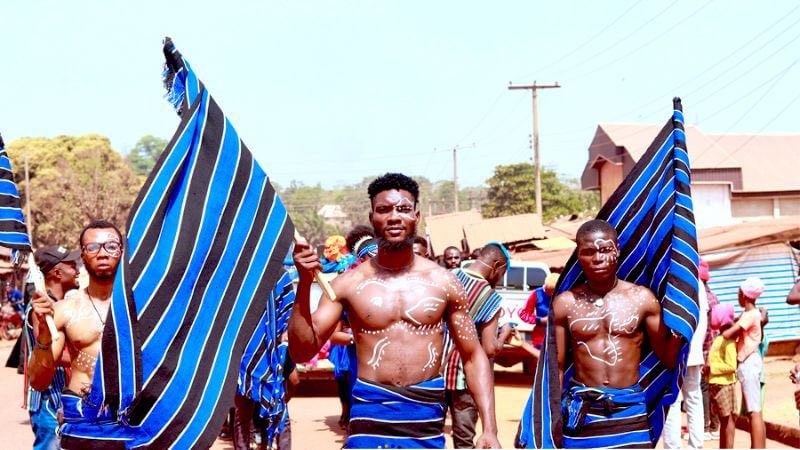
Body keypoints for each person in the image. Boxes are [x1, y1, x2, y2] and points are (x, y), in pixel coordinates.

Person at [289, 172, 500, 449]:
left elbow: (473, 356)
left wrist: (490, 429)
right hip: (370, 413)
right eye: (384, 209)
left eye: (403, 209)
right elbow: (302, 350)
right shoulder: (349, 284)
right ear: (372, 218)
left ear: (416, 215)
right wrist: (304, 285)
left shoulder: (444, 283)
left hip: (425, 419)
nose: (394, 216)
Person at [550, 219, 683, 448]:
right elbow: (557, 368)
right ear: (578, 256)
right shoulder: (565, 304)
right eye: (589, 252)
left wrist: (681, 329)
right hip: (582, 412)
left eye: (605, 250)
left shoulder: (642, 299)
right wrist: (552, 414)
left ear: (617, 250)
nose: (598, 258)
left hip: (629, 410)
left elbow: (669, 359)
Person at [28, 220, 123, 422]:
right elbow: (38, 382)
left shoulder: (142, 307)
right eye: (93, 247)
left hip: (131, 419)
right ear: (83, 256)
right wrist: (44, 337)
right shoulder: (64, 311)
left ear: (122, 253)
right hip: (82, 418)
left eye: (111, 246)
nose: (103, 253)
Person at [442, 242, 507, 448]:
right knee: (464, 439)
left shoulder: (448, 279)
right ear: (496, 266)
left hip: (433, 372)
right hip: (465, 377)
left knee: (427, 433)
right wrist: (504, 335)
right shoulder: (491, 298)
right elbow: (489, 348)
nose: (500, 278)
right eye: (502, 273)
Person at [23, 245, 81, 450]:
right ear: (57, 273)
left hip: (60, 396)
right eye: (72, 265)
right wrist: (90, 358)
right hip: (48, 399)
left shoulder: (59, 304)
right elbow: (50, 355)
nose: (77, 270)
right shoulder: (41, 309)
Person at [663, 269, 709, 449]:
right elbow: (703, 316)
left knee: (673, 400)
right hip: (692, 351)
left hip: (676, 349)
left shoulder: (670, 274)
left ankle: (674, 446)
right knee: (693, 397)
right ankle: (695, 445)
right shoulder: (695, 279)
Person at [720, 277, 766, 449]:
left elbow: (729, 334)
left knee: (754, 411)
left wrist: (722, 325)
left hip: (749, 363)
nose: (738, 297)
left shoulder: (750, 315)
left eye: (739, 293)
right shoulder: (750, 315)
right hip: (749, 363)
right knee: (753, 409)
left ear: (745, 296)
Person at [707, 303, 737, 449]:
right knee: (724, 421)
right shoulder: (720, 337)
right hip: (716, 384)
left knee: (727, 421)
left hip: (723, 385)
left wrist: (712, 368)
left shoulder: (728, 339)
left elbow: (732, 366)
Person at [699, 259, 720, 440]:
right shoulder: (714, 297)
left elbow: (703, 329)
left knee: (703, 388)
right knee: (713, 388)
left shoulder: (700, 299)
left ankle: (705, 427)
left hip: (705, 349)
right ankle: (715, 425)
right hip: (716, 349)